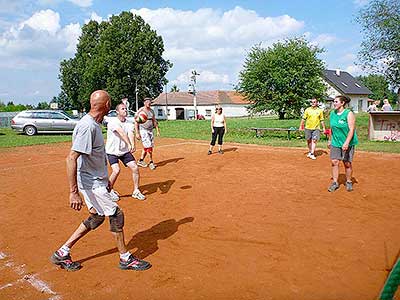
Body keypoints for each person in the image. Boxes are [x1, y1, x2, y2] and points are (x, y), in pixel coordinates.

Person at [50, 90, 151, 271]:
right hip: (91, 182)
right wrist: (73, 192)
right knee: (116, 215)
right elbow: (71, 158)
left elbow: (91, 158)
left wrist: (105, 180)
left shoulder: (94, 124)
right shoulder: (87, 127)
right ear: (106, 105)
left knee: (96, 217)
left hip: (95, 180)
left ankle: (62, 253)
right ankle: (125, 258)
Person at [105, 102, 145, 201]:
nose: (125, 110)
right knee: (116, 170)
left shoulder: (129, 123)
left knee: (135, 167)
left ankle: (136, 191)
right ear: (117, 112)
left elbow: (130, 133)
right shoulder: (113, 122)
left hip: (124, 151)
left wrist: (133, 145)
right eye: (123, 109)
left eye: (126, 109)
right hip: (112, 151)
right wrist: (129, 144)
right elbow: (121, 133)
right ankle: (108, 191)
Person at [327, 95, 358, 192]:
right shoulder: (332, 114)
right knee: (334, 162)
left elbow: (352, 129)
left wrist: (346, 143)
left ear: (342, 103)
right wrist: (330, 140)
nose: (334, 103)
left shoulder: (348, 114)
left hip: (347, 142)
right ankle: (335, 182)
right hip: (336, 142)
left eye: (336, 101)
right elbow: (331, 128)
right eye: (334, 101)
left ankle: (348, 181)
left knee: (347, 163)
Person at [135, 98, 160, 170]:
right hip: (143, 130)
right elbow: (136, 122)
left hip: (150, 130)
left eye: (150, 102)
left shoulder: (152, 111)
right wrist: (137, 133)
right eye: (147, 102)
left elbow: (154, 121)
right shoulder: (141, 110)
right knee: (149, 146)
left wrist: (157, 130)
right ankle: (151, 162)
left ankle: (140, 160)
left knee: (148, 146)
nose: (149, 103)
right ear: (144, 103)